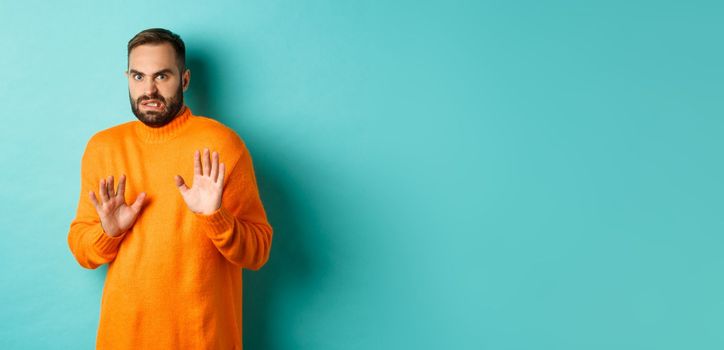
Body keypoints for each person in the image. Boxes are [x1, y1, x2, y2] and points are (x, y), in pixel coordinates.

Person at [67, 28, 273, 349]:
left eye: (162, 76)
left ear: (185, 79)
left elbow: (258, 252)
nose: (148, 89)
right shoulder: (103, 148)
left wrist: (216, 218)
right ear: (127, 77)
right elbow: (82, 249)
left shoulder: (222, 145)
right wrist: (108, 232)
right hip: (124, 339)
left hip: (204, 338)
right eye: (138, 76)